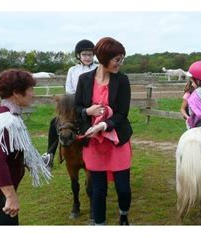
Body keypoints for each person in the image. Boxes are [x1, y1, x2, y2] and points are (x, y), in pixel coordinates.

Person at [0, 69, 52, 225]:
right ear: (16, 93)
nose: (32, 94)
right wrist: (10, 197)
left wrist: (36, 161)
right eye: (30, 90)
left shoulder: (2, 114)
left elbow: (13, 150)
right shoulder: (8, 122)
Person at [75, 37, 132, 225]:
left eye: (121, 59)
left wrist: (104, 125)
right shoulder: (84, 80)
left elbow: (123, 113)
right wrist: (86, 111)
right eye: (117, 59)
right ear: (104, 58)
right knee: (98, 188)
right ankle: (99, 225)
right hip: (94, 143)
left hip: (116, 141)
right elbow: (77, 108)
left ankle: (123, 214)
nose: (120, 64)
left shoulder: (122, 80)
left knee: (123, 188)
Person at [41, 39, 97, 169]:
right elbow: (69, 90)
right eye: (84, 55)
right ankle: (49, 154)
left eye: (90, 55)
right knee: (55, 122)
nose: (87, 57)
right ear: (79, 56)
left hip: (93, 104)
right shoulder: (73, 70)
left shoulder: (98, 68)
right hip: (75, 104)